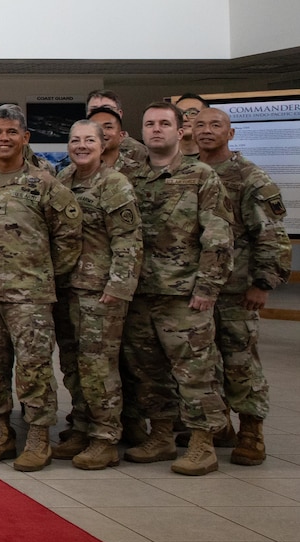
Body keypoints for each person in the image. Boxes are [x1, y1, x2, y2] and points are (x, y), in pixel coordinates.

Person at [0, 105, 81, 472]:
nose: (3, 139)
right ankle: (0, 432)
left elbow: (68, 236)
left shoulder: (44, 183)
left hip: (30, 297)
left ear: (25, 138)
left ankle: (37, 437)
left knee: (33, 368)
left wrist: (42, 272)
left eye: (11, 132)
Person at [120, 101, 233, 475]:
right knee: (147, 371)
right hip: (139, 293)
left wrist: (208, 287)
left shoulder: (201, 176)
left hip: (184, 295)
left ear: (179, 130)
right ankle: (162, 435)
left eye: (164, 124)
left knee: (195, 371)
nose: (156, 130)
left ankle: (203, 442)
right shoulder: (130, 177)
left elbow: (217, 237)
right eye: (149, 123)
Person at [192, 107, 288, 466]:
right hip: (199, 286)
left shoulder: (250, 177)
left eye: (215, 125)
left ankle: (252, 429)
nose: (206, 131)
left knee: (240, 359)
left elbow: (271, 235)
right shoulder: (190, 172)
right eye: (199, 125)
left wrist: (263, 282)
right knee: (205, 361)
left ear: (230, 134)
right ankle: (220, 425)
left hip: (237, 286)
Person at [51, 118, 141, 471]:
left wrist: (119, 286)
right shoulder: (63, 182)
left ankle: (105, 438)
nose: (82, 146)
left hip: (100, 292)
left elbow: (129, 239)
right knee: (73, 365)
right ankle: (83, 427)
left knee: (99, 366)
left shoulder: (114, 184)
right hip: (66, 289)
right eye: (75, 140)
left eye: (89, 140)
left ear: (103, 145)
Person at [85, 90, 150, 167]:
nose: (100, 114)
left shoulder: (139, 151)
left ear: (119, 114)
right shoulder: (81, 148)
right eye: (94, 110)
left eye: (107, 109)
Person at [85, 105, 143, 181]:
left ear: (121, 136)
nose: (102, 133)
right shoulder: (74, 172)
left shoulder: (139, 173)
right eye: (96, 128)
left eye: (108, 127)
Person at [175, 93, 209, 159]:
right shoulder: (160, 160)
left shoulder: (219, 159)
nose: (184, 118)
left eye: (192, 113)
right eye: (179, 113)